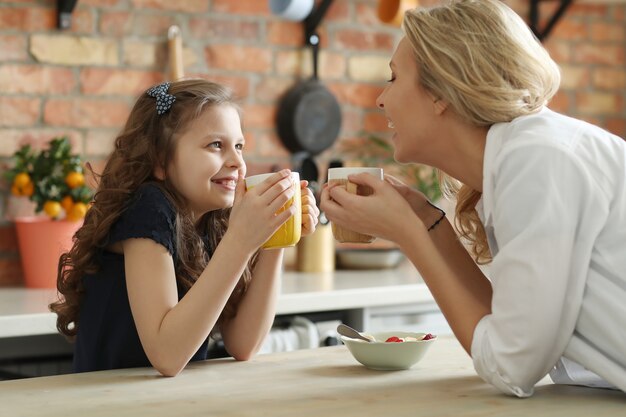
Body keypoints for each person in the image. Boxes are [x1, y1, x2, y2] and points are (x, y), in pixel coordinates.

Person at [321, 0, 626, 398]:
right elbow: (509, 329)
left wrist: (408, 234)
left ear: (440, 94)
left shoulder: (537, 161)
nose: (381, 99)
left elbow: (511, 366)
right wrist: (427, 224)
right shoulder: (523, 156)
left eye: (394, 78)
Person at [50, 79, 319, 376]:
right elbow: (166, 355)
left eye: (239, 146)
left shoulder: (210, 218)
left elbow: (243, 344)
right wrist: (241, 241)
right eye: (216, 145)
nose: (237, 162)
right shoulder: (148, 207)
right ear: (161, 160)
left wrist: (275, 234)